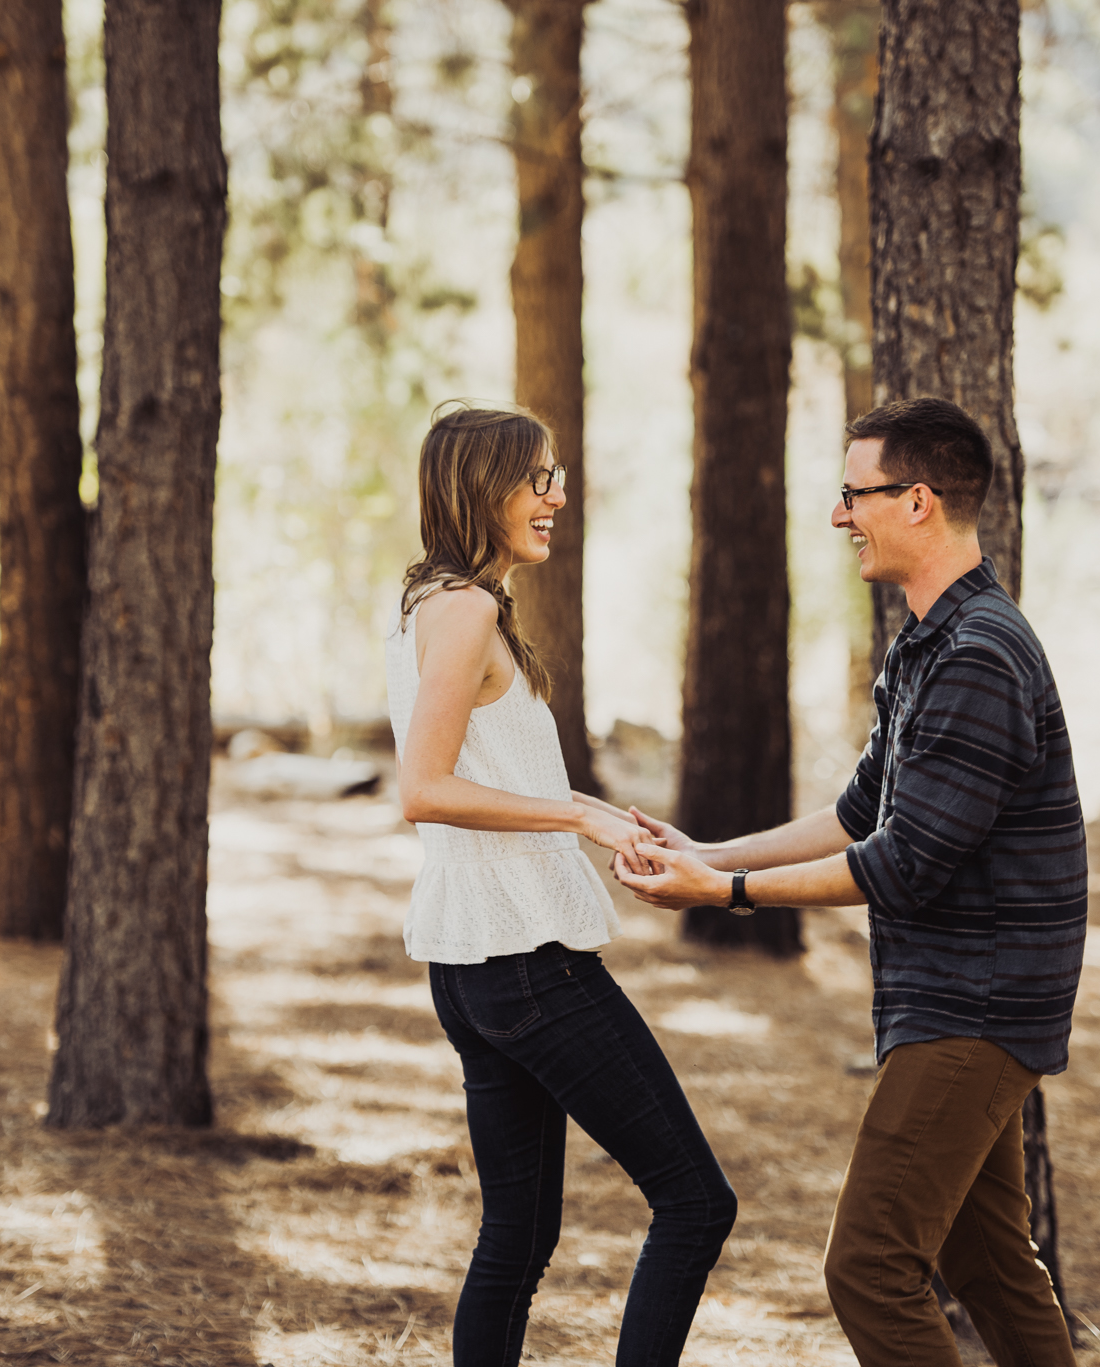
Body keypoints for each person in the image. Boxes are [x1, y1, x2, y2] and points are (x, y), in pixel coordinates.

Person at [614, 397, 1085, 1367]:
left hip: (975, 1006)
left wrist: (723, 898)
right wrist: (708, 853)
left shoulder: (978, 655)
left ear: (915, 500)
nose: (837, 515)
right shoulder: (924, 643)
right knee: (988, 1258)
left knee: (867, 1264)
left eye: (851, 493)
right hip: (957, 1000)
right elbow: (855, 811)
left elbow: (899, 864)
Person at [386, 402, 738, 1367]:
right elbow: (424, 788)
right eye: (537, 478)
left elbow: (497, 775)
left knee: (518, 1238)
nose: (558, 495)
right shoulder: (463, 608)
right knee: (697, 1201)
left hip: (475, 967)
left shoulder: (435, 600)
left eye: (559, 474)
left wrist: (609, 814)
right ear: (481, 488)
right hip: (523, 962)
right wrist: (580, 819)